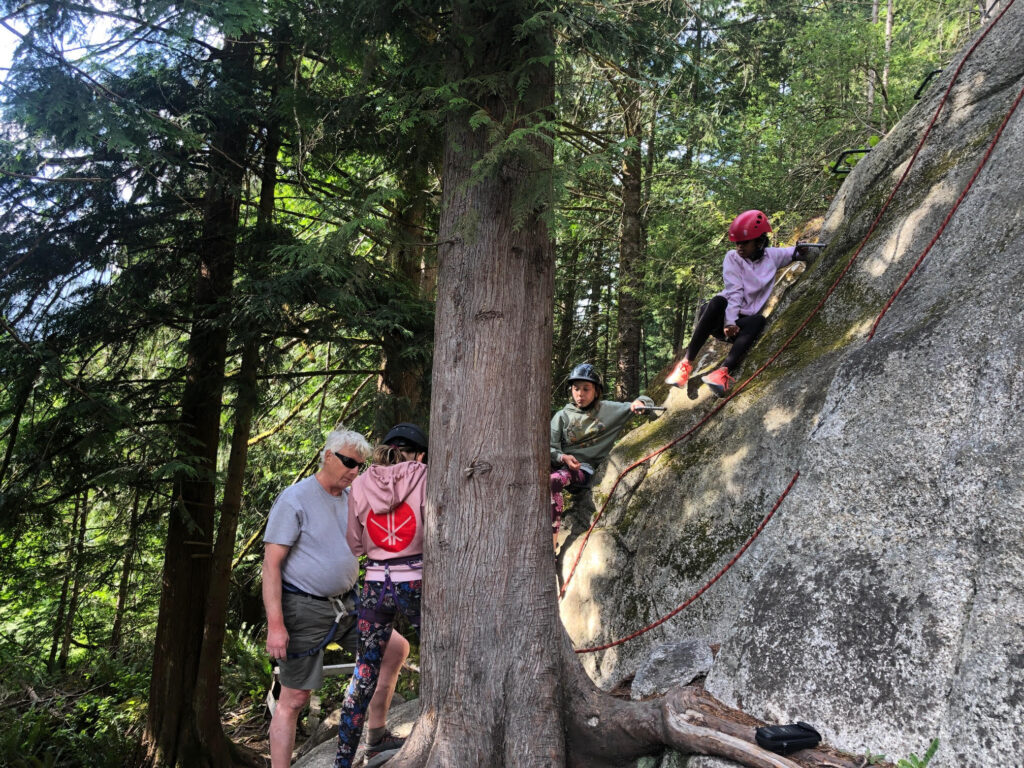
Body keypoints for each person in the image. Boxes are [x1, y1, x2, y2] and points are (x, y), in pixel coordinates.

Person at [263, 428, 410, 768]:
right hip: (304, 608)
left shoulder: (350, 497)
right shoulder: (294, 499)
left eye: (358, 465)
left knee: (394, 650)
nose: (353, 471)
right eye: (348, 462)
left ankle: (375, 739)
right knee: (295, 697)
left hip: (349, 603)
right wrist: (276, 625)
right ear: (327, 455)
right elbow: (270, 566)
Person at [333, 423, 429, 768]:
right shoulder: (425, 475)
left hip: (375, 585)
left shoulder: (359, 484)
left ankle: (343, 760)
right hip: (415, 581)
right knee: (439, 656)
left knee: (364, 671)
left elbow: (355, 543)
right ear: (419, 453)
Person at [665, 210, 814, 397]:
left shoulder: (772, 257)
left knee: (758, 321)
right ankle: (685, 364)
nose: (739, 247)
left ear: (759, 242)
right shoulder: (732, 258)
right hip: (720, 316)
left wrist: (799, 250)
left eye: (744, 242)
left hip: (742, 323)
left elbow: (791, 252)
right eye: (737, 243)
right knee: (717, 301)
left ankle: (721, 373)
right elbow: (735, 291)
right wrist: (729, 322)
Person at [549, 364, 655, 545]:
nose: (580, 394)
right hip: (562, 464)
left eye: (586, 389)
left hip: (584, 470)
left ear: (597, 391)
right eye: (576, 389)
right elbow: (550, 448)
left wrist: (642, 404)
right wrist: (562, 457)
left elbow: (645, 401)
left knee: (554, 481)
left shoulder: (608, 409)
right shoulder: (562, 416)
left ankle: (550, 544)